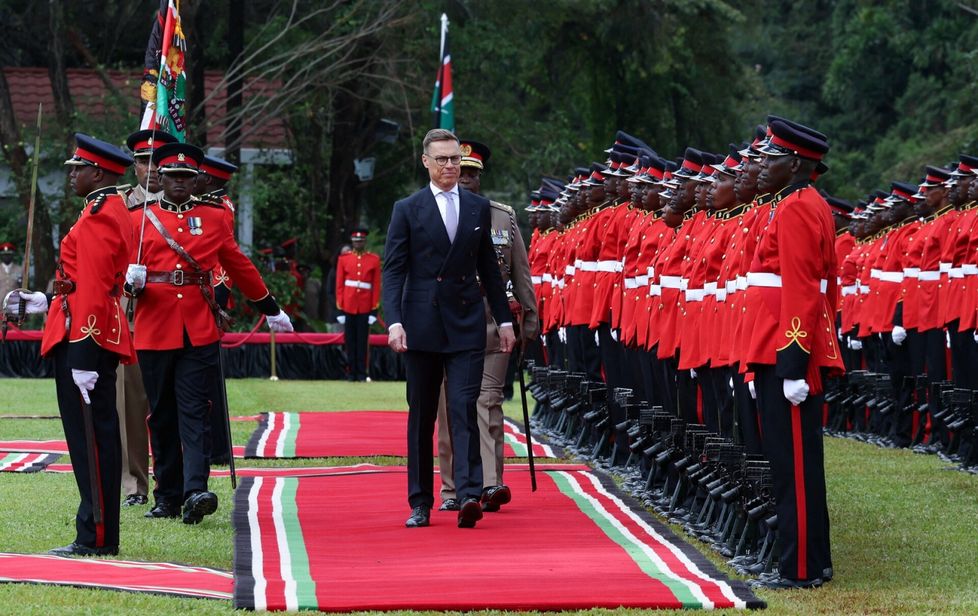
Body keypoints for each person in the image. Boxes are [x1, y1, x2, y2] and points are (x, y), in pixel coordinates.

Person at [127, 142, 294, 525]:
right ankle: (166, 495)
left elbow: (238, 264)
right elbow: (119, 271)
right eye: (173, 176)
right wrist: (129, 283)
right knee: (161, 414)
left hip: (198, 327)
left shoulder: (214, 216)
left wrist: (269, 307)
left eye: (187, 177)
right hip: (154, 327)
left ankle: (195, 490)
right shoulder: (139, 218)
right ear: (162, 179)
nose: (180, 183)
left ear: (197, 179)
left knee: (195, 411)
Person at [5, 133, 135, 556]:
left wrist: (82, 354)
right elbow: (83, 283)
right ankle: (96, 531)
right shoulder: (102, 209)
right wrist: (43, 301)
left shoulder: (99, 213)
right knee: (91, 437)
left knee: (91, 440)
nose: (72, 175)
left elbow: (97, 288)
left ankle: (95, 536)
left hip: (87, 338)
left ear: (97, 172)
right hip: (84, 328)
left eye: (77, 168)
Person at [382, 128, 515, 529]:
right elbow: (394, 271)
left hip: (465, 322)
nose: (450, 166)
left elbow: (489, 270)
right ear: (426, 162)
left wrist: (504, 320)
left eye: (455, 159)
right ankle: (420, 500)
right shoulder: (407, 208)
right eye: (442, 159)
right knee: (422, 415)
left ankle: (471, 494)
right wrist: (394, 322)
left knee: (463, 407)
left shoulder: (478, 207)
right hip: (421, 324)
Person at [744, 118, 842, 589]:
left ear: (798, 164)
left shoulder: (798, 208)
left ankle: (800, 567)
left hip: (787, 352)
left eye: (772, 159)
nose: (763, 166)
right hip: (777, 346)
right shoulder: (796, 204)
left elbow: (803, 290)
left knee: (795, 468)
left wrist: (793, 364)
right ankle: (812, 559)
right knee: (793, 465)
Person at [435, 139, 538, 513]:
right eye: (459, 171)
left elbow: (521, 272)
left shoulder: (501, 216)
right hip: (447, 323)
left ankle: (491, 483)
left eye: (472, 173)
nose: (464, 179)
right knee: (449, 408)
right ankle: (451, 489)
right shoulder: (436, 213)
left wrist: (529, 320)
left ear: (480, 178)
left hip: (493, 321)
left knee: (487, 401)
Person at [113, 129, 177, 507]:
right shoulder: (117, 203)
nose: (151, 169)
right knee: (130, 403)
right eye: (143, 161)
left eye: (158, 161)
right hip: (130, 314)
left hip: (173, 315)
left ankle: (177, 482)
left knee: (172, 403)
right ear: (134, 166)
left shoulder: (187, 205)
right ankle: (133, 483)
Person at [336, 229, 381, 381]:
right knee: (350, 341)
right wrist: (340, 308)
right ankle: (351, 373)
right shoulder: (344, 259)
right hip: (348, 305)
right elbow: (339, 285)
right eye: (355, 241)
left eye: (360, 240)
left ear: (364, 242)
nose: (358, 243)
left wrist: (374, 309)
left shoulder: (373, 259)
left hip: (365, 306)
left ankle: (362, 373)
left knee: (362, 341)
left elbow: (376, 285)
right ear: (352, 242)